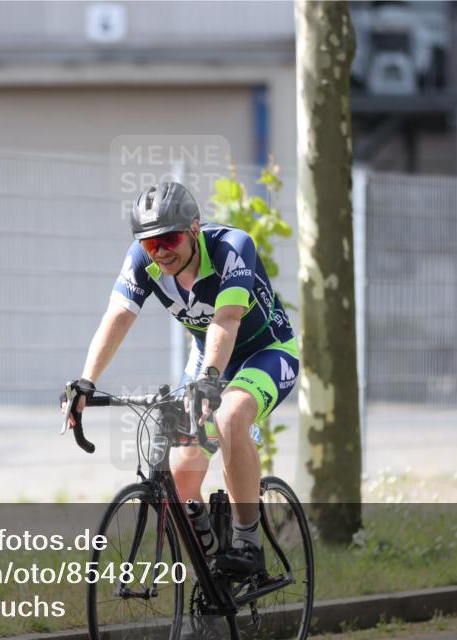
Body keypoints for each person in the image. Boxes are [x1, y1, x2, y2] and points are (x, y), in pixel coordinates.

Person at [62, 181, 298, 575]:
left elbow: (227, 319)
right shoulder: (143, 258)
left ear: (194, 227)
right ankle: (211, 573)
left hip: (265, 353)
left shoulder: (233, 247)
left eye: (169, 238)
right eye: (151, 244)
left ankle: (247, 542)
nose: (161, 251)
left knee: (230, 416)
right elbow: (119, 316)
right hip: (208, 357)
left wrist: (209, 382)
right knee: (179, 472)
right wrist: (86, 380)